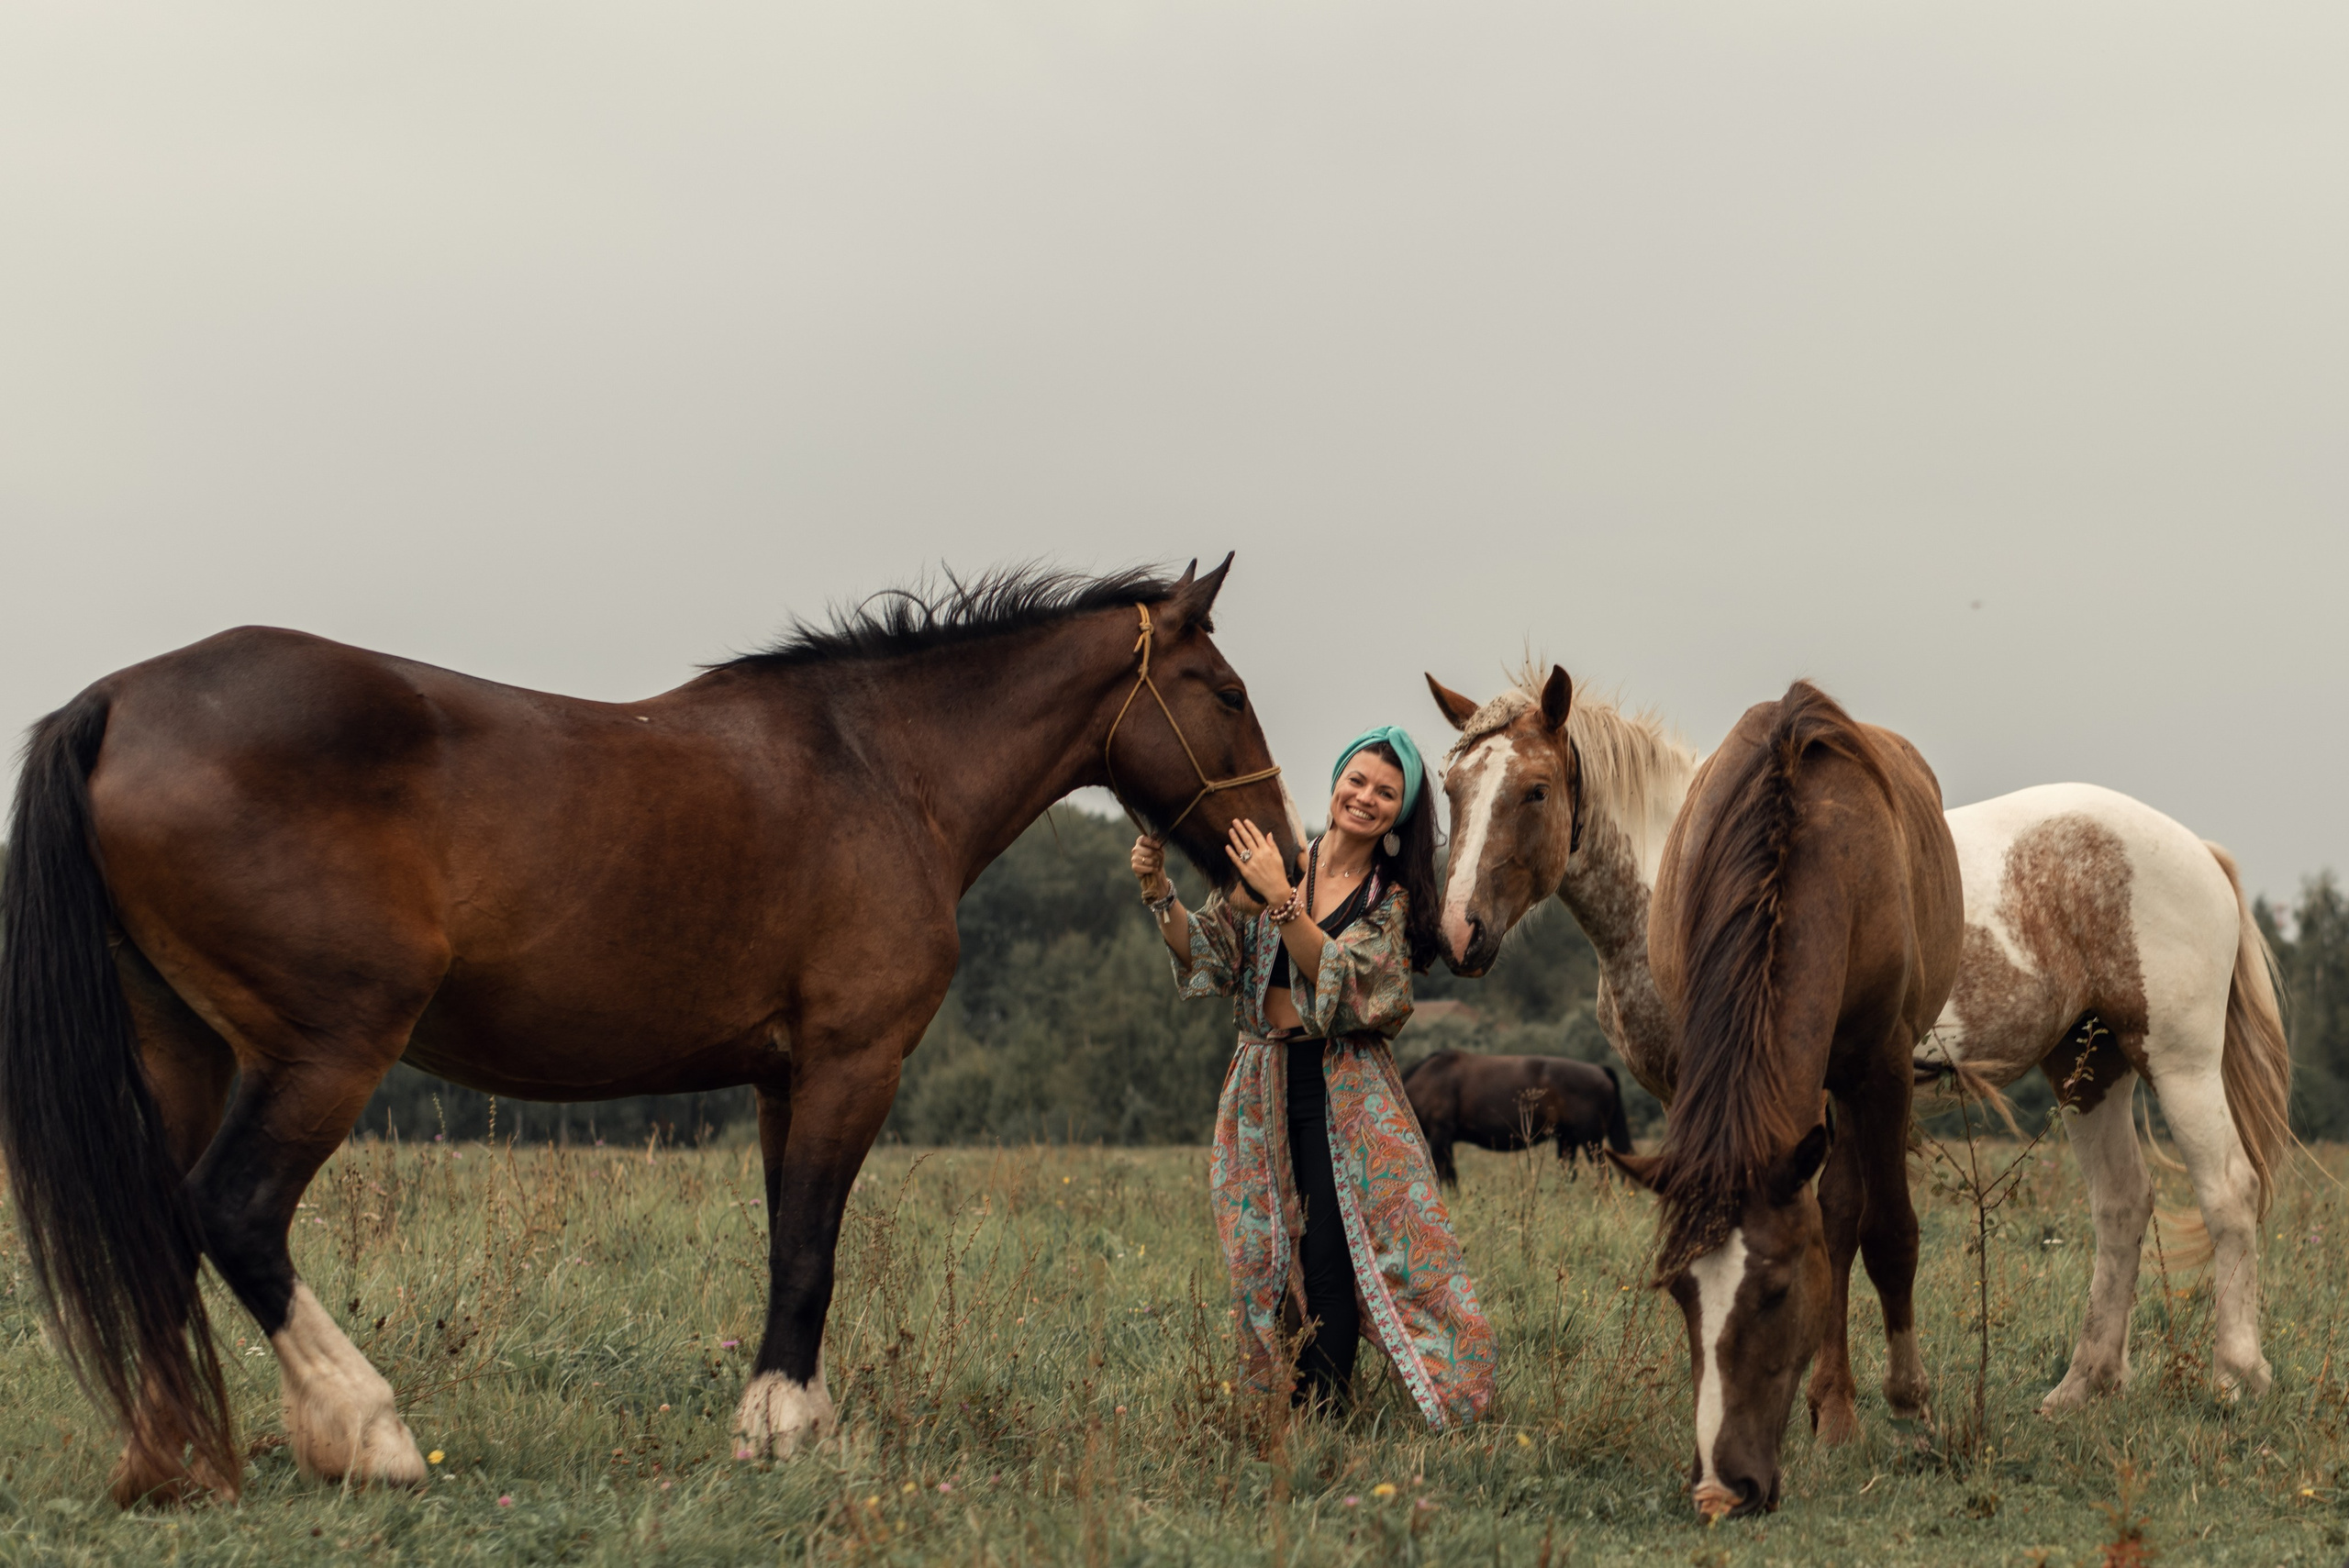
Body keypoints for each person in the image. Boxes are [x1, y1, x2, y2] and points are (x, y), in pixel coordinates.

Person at [1130, 727, 1495, 1428]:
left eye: (1387, 793)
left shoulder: (1388, 900)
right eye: (1357, 780)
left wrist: (1284, 901)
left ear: (1399, 816)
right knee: (1263, 1250)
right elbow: (1209, 951)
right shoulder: (1280, 860)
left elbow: (1354, 988)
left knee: (1331, 1252)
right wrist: (1159, 892)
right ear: (1335, 782)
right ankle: (1280, 1404)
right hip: (1260, 1082)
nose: (1366, 797)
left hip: (1342, 1089)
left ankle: (1329, 1413)